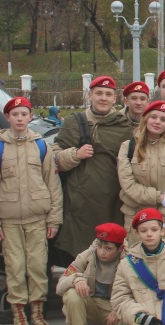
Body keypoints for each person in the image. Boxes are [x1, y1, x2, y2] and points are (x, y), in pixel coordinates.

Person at [0, 97, 62, 325]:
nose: (19, 119)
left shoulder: (41, 147)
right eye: (15, 114)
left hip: (37, 219)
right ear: (7, 117)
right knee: (15, 269)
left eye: (24, 114)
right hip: (10, 221)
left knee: (38, 268)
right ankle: (20, 317)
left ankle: (38, 315)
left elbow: (53, 184)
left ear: (30, 117)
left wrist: (54, 219)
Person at [52, 76, 131, 264]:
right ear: (90, 96)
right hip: (78, 205)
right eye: (99, 93)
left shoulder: (123, 126)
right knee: (78, 257)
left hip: (110, 203)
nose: (103, 98)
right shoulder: (73, 122)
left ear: (115, 99)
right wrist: (75, 155)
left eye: (108, 94)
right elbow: (55, 158)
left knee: (108, 254)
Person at [56, 223, 127, 325]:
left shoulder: (129, 260)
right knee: (72, 295)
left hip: (114, 308)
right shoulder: (87, 256)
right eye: (100, 246)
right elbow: (60, 286)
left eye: (108, 248)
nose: (101, 252)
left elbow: (137, 292)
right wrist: (76, 279)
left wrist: (119, 308)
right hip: (91, 304)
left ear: (120, 248)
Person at [117, 101, 165, 243]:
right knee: (136, 256)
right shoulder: (128, 147)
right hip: (135, 217)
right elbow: (127, 184)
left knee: (163, 255)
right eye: (153, 117)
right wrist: (159, 198)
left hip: (163, 218)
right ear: (145, 119)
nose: (157, 122)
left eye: (163, 119)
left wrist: (162, 216)